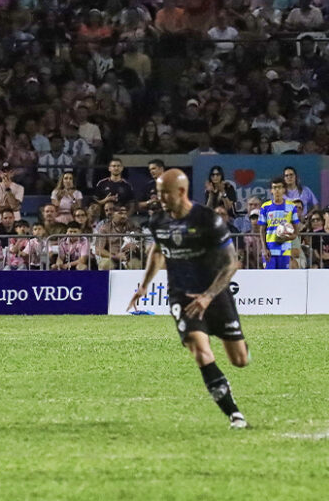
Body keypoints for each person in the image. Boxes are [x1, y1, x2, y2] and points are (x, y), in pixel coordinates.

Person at [128, 169, 249, 429]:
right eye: (157, 193)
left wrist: (208, 296)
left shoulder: (208, 220)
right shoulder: (158, 220)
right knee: (200, 352)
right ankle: (234, 415)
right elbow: (158, 251)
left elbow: (231, 263)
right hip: (181, 295)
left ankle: (222, 335)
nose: (159, 199)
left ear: (181, 192)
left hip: (214, 295)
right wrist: (144, 286)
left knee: (240, 360)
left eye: (164, 194)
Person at [258, 177, 300, 270]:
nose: (277, 190)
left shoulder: (291, 206)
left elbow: (296, 232)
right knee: (270, 279)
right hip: (269, 250)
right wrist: (264, 249)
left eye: (279, 187)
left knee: (283, 279)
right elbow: (262, 230)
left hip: (284, 251)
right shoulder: (265, 207)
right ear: (271, 190)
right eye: (274, 187)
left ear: (284, 190)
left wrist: (285, 237)